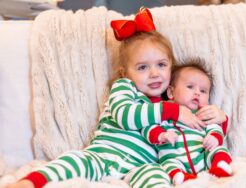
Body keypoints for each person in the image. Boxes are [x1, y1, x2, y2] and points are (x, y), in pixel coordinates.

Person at [6, 8, 207, 188]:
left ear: (171, 68)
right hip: (103, 155)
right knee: (75, 161)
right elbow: (125, 116)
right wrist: (173, 111)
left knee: (156, 178)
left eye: (161, 65)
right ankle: (29, 183)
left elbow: (187, 135)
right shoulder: (125, 88)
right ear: (125, 73)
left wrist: (215, 116)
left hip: (141, 166)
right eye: (143, 67)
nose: (154, 73)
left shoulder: (169, 103)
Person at [141, 59, 233, 185]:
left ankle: (220, 166)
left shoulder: (204, 113)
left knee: (218, 150)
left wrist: (214, 138)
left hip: (202, 155)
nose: (197, 93)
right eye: (190, 87)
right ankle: (180, 176)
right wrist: (162, 135)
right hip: (174, 156)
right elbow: (148, 127)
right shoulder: (164, 110)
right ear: (170, 92)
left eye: (203, 91)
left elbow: (215, 127)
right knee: (168, 164)